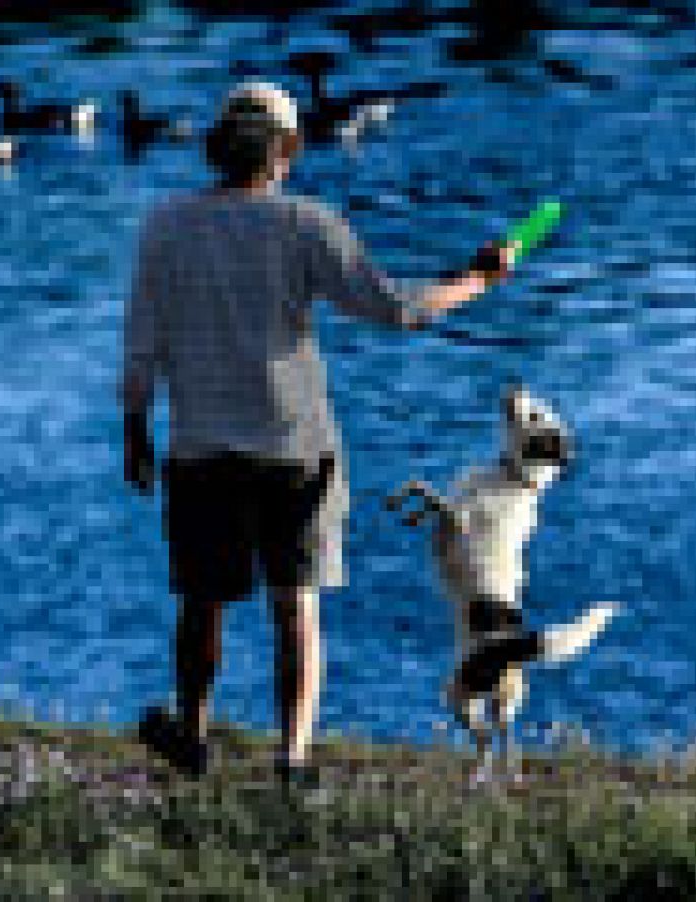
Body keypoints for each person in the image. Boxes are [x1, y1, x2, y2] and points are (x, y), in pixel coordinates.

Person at [122, 81, 514, 783]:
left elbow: (142, 340)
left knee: (201, 605)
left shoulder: (166, 224)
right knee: (295, 608)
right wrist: (478, 280)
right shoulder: (306, 225)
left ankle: (191, 734)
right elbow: (397, 308)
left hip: (200, 446)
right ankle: (293, 759)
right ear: (288, 148)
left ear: (218, 145)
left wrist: (134, 427)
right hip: (294, 449)